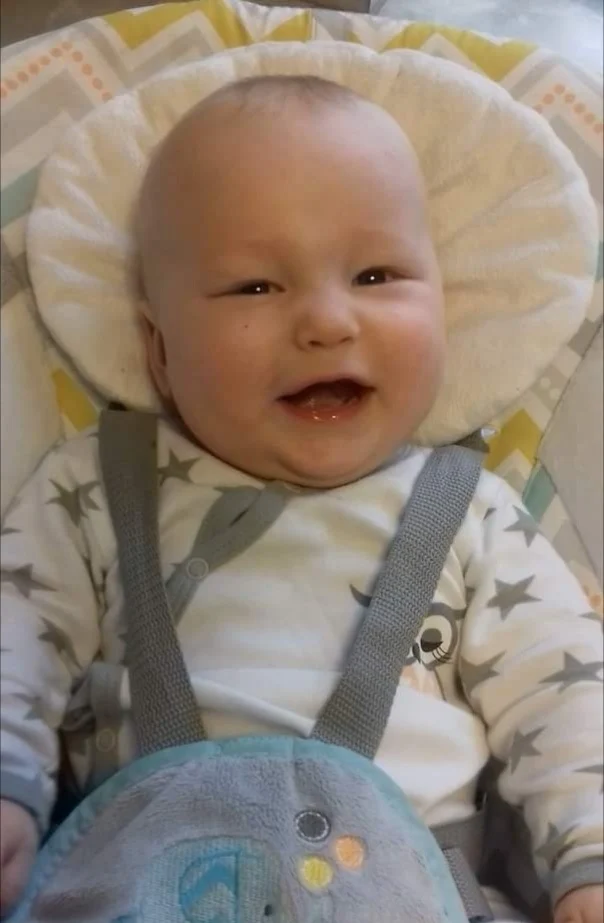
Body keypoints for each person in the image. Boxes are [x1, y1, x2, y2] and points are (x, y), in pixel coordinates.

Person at [1, 75, 602, 921]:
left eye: (376, 274)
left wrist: (589, 853)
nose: (326, 321)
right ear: (158, 349)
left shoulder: (472, 510)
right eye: (255, 286)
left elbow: (564, 689)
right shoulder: (97, 485)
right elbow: (17, 635)